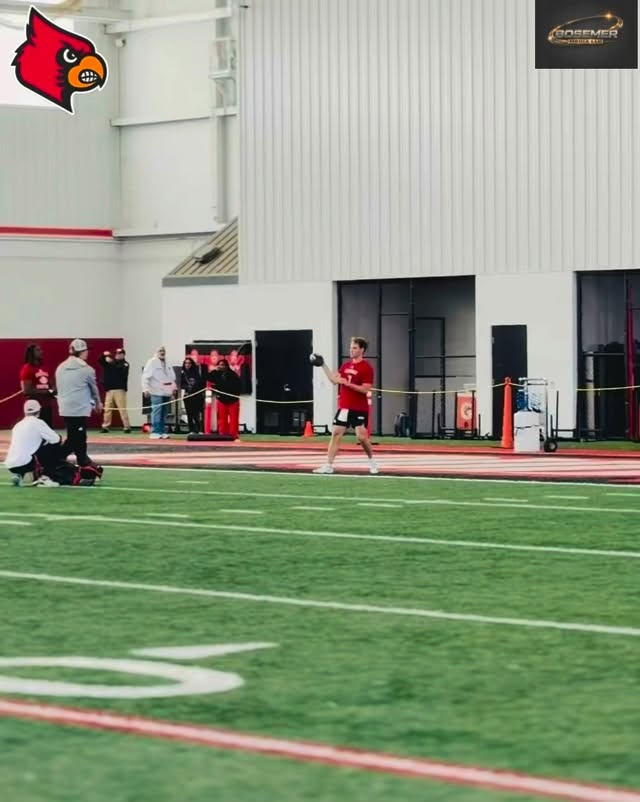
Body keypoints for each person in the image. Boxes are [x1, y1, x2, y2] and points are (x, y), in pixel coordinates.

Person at [312, 336, 379, 475]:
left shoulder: (367, 368)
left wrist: (348, 384)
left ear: (362, 350)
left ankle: (372, 461)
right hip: (344, 407)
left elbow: (366, 389)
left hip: (359, 408)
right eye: (351, 347)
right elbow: (333, 380)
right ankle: (328, 465)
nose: (351, 350)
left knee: (361, 437)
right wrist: (323, 364)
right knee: (336, 434)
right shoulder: (345, 366)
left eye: (354, 348)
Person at [55, 338, 103, 468]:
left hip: (65, 407)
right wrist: (98, 403)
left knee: (75, 435)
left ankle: (81, 458)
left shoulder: (60, 368)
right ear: (82, 351)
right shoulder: (87, 369)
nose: (87, 353)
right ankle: (60, 457)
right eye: (86, 350)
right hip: (79, 408)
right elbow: (94, 389)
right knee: (77, 437)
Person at [4, 399, 65, 487]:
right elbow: (56, 439)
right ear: (39, 411)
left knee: (26, 450)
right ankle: (45, 478)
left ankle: (19, 475)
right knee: (54, 446)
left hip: (10, 465)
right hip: (26, 463)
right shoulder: (38, 423)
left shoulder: (17, 425)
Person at [141, 346, 176, 439]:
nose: (162, 352)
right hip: (156, 391)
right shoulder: (151, 362)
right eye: (160, 351)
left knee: (164, 412)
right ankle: (155, 431)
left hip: (167, 391)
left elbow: (172, 377)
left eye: (164, 350)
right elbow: (145, 376)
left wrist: (173, 389)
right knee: (157, 411)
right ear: (156, 352)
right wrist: (145, 389)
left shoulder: (168, 362)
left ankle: (162, 431)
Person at [19, 343, 56, 428]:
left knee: (47, 429)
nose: (41, 352)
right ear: (31, 353)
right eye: (38, 350)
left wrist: (52, 391)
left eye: (41, 350)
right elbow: (26, 390)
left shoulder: (45, 367)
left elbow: (48, 385)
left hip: (47, 406)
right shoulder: (27, 369)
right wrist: (45, 392)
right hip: (34, 407)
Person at [99, 347, 131, 433]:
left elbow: (121, 371)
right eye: (116, 353)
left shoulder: (125, 364)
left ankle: (126, 426)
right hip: (109, 390)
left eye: (120, 353)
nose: (118, 355)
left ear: (123, 355)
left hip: (119, 390)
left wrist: (111, 362)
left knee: (122, 409)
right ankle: (105, 426)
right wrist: (103, 355)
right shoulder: (109, 363)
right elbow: (100, 361)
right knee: (107, 409)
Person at [211, 358, 242, 440]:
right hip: (222, 400)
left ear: (226, 366)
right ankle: (222, 434)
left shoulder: (233, 374)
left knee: (234, 419)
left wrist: (234, 395)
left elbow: (238, 386)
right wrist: (215, 371)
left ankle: (233, 435)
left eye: (223, 365)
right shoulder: (216, 374)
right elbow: (208, 378)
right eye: (220, 365)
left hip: (233, 400)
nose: (221, 366)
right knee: (222, 419)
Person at [180, 356, 205, 433]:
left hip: (197, 396)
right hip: (187, 395)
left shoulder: (196, 372)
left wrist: (194, 388)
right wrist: (186, 387)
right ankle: (191, 430)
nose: (187, 364)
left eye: (189, 363)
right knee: (189, 413)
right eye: (186, 363)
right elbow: (181, 384)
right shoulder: (182, 373)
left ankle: (200, 429)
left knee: (196, 414)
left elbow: (200, 383)